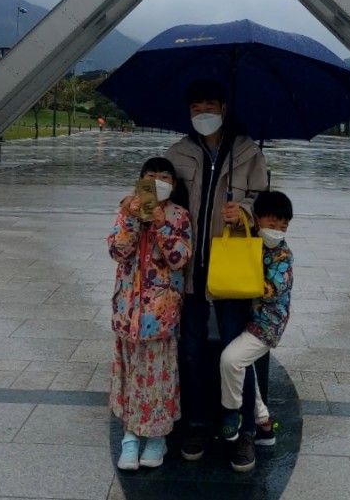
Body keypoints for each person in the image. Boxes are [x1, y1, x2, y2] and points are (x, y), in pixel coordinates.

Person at [165, 79, 269, 472]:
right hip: (189, 273)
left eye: (210, 105)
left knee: (234, 354)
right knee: (190, 353)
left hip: (231, 274)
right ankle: (196, 424)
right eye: (196, 106)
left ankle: (243, 433)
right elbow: (162, 201)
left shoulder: (248, 152)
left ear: (224, 108)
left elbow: (267, 203)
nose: (202, 113)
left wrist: (243, 209)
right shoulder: (177, 154)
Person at [107, 157, 192, 471]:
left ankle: (157, 438)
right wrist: (131, 220)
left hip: (160, 313)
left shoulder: (179, 216)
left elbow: (178, 258)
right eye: (151, 176)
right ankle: (130, 437)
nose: (157, 181)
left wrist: (160, 224)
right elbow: (117, 252)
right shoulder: (126, 209)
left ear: (173, 183)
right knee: (131, 376)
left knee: (158, 378)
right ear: (140, 179)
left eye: (164, 176)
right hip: (127, 311)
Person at [219, 191, 294, 469]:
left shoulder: (283, 255)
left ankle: (231, 412)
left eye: (283, 226)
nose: (277, 230)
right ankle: (264, 425)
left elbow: (271, 290)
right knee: (245, 368)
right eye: (272, 223)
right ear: (258, 219)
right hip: (251, 318)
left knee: (231, 359)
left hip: (268, 324)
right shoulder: (253, 241)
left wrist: (238, 278)